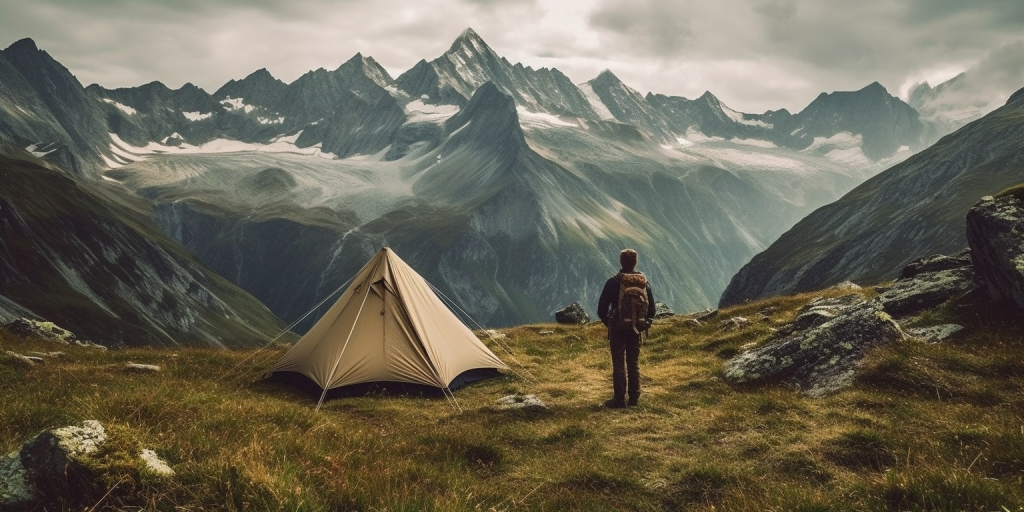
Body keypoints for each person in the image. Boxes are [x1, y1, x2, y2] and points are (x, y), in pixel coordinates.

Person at [597, 248, 655, 408]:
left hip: (617, 328)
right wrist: (644, 323)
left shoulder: (613, 282)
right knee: (633, 361)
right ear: (635, 262)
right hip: (636, 328)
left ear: (621, 261)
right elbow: (652, 310)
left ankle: (619, 400)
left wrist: (609, 324)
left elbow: (601, 309)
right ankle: (635, 398)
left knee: (618, 362)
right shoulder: (644, 283)